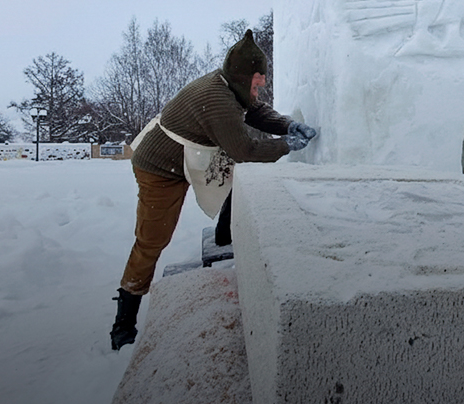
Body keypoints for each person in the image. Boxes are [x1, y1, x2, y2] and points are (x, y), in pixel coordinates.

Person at [110, 29, 317, 351]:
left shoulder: (231, 87)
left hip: (193, 153)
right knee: (152, 240)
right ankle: (124, 318)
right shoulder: (216, 99)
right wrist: (286, 145)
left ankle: (225, 236)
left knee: (237, 179)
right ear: (240, 76)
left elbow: (255, 111)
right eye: (257, 80)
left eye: (263, 78)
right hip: (160, 169)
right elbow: (244, 150)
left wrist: (286, 125)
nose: (261, 85)